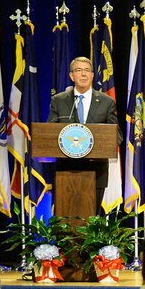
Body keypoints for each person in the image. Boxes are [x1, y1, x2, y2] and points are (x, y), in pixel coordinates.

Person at [47, 56, 119, 208]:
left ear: (93, 75)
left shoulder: (107, 102)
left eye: (87, 71)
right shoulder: (59, 101)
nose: (84, 74)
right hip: (65, 171)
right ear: (71, 75)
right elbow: (49, 134)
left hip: (96, 172)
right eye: (79, 70)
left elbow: (116, 136)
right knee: (64, 224)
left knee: (92, 222)